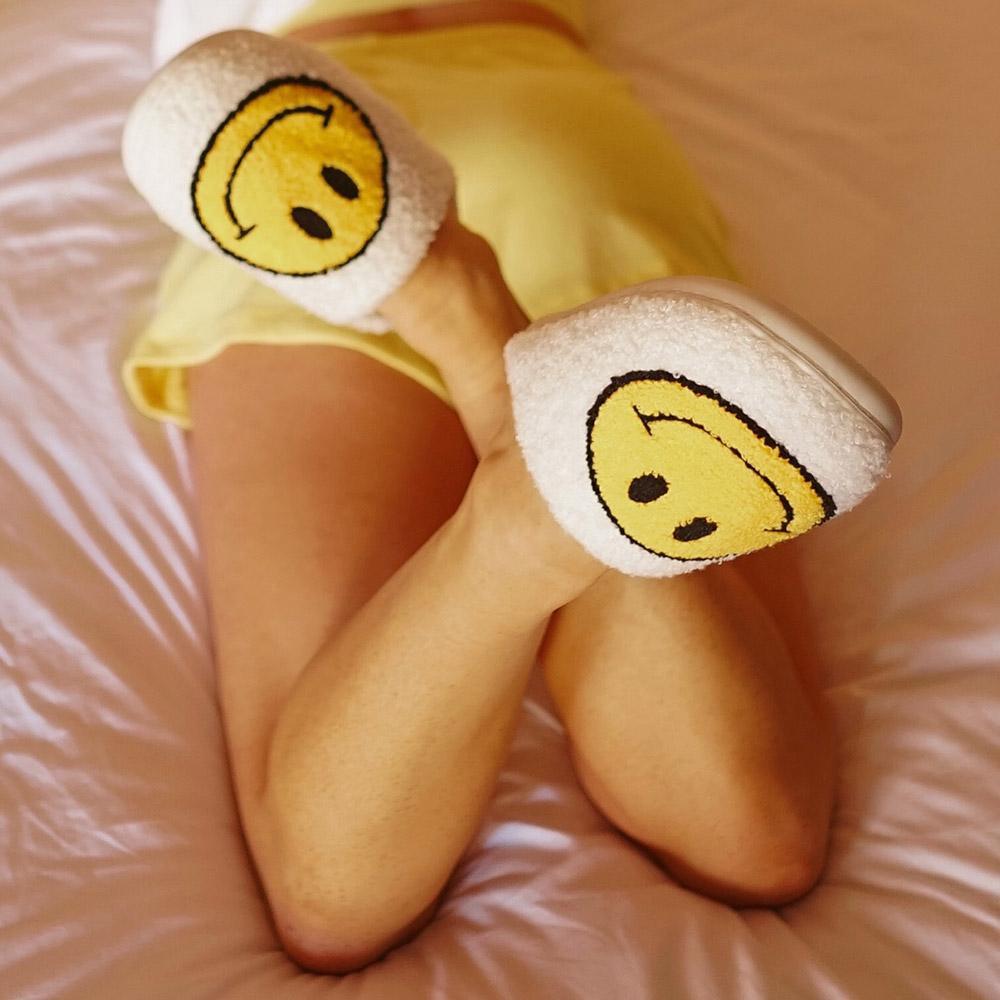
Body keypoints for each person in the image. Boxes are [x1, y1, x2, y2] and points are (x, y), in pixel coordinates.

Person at [123, 0, 845, 974]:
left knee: (331, 896)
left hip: (283, 157)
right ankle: (516, 435)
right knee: (756, 840)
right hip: (524, 133)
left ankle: (462, 327)